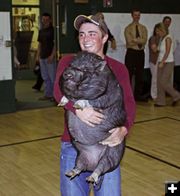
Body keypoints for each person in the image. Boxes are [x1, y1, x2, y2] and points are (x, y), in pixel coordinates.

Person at [54, 13, 136, 196]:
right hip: (73, 147)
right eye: (82, 34)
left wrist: (124, 130)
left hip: (108, 147)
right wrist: (78, 109)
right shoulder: (68, 61)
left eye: (92, 33)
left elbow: (129, 103)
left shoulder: (118, 68)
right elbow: (58, 92)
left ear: (105, 37)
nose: (85, 38)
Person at [124, 8, 148, 102]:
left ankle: (138, 96)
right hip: (131, 53)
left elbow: (144, 40)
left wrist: (135, 40)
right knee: (128, 75)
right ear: (132, 16)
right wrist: (139, 40)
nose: (137, 17)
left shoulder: (143, 28)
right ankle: (129, 96)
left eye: (138, 15)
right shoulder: (128, 28)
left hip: (140, 53)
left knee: (140, 74)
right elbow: (129, 42)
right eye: (135, 15)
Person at [154, 22, 180, 107]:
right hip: (161, 62)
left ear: (162, 30)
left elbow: (168, 51)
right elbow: (159, 50)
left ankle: (176, 95)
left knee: (163, 82)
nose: (157, 33)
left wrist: (163, 62)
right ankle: (160, 101)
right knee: (159, 82)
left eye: (158, 31)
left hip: (168, 62)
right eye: (156, 31)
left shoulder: (168, 38)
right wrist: (155, 48)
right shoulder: (162, 38)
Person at [36, 12, 56, 101]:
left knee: (52, 77)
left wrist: (52, 55)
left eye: (47, 20)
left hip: (50, 57)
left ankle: (55, 96)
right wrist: (37, 56)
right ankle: (48, 94)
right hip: (42, 57)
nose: (45, 21)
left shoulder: (53, 30)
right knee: (45, 77)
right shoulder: (41, 31)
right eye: (43, 20)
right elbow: (39, 44)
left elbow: (56, 44)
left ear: (50, 20)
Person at [148, 24, 160, 100]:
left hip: (162, 61)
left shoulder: (163, 39)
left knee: (160, 79)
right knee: (155, 78)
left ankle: (159, 94)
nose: (158, 32)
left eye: (160, 30)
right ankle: (154, 95)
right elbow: (154, 49)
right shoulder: (153, 38)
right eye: (157, 30)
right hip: (154, 61)